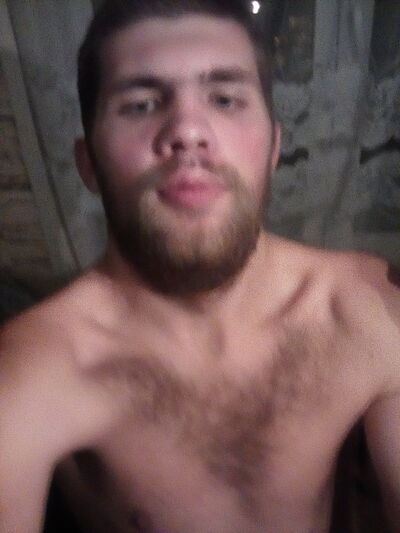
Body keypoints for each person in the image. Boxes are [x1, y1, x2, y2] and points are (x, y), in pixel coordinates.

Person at [1, 1, 399, 532]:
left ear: (274, 146)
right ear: (89, 162)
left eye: (225, 99)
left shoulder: (363, 310)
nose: (188, 130)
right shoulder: (34, 368)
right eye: (141, 104)